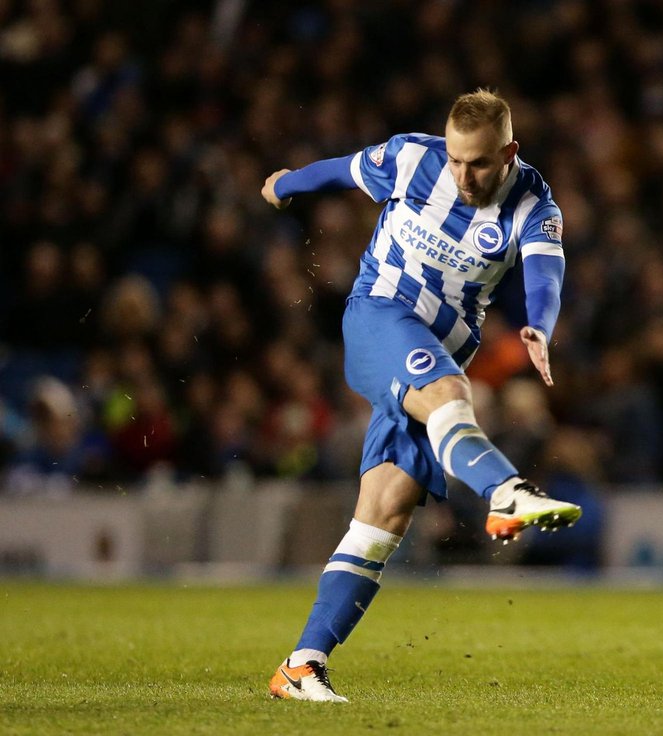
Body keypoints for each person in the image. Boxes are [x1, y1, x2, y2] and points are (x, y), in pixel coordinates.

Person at [260, 89, 581, 702]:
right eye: (456, 160)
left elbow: (546, 270)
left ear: (508, 152)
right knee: (453, 391)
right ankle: (507, 491)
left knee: (384, 516)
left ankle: (301, 666)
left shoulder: (534, 204)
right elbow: (342, 170)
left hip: (439, 351)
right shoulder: (411, 158)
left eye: (479, 164)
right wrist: (287, 184)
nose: (462, 175)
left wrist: (540, 322)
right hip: (381, 317)